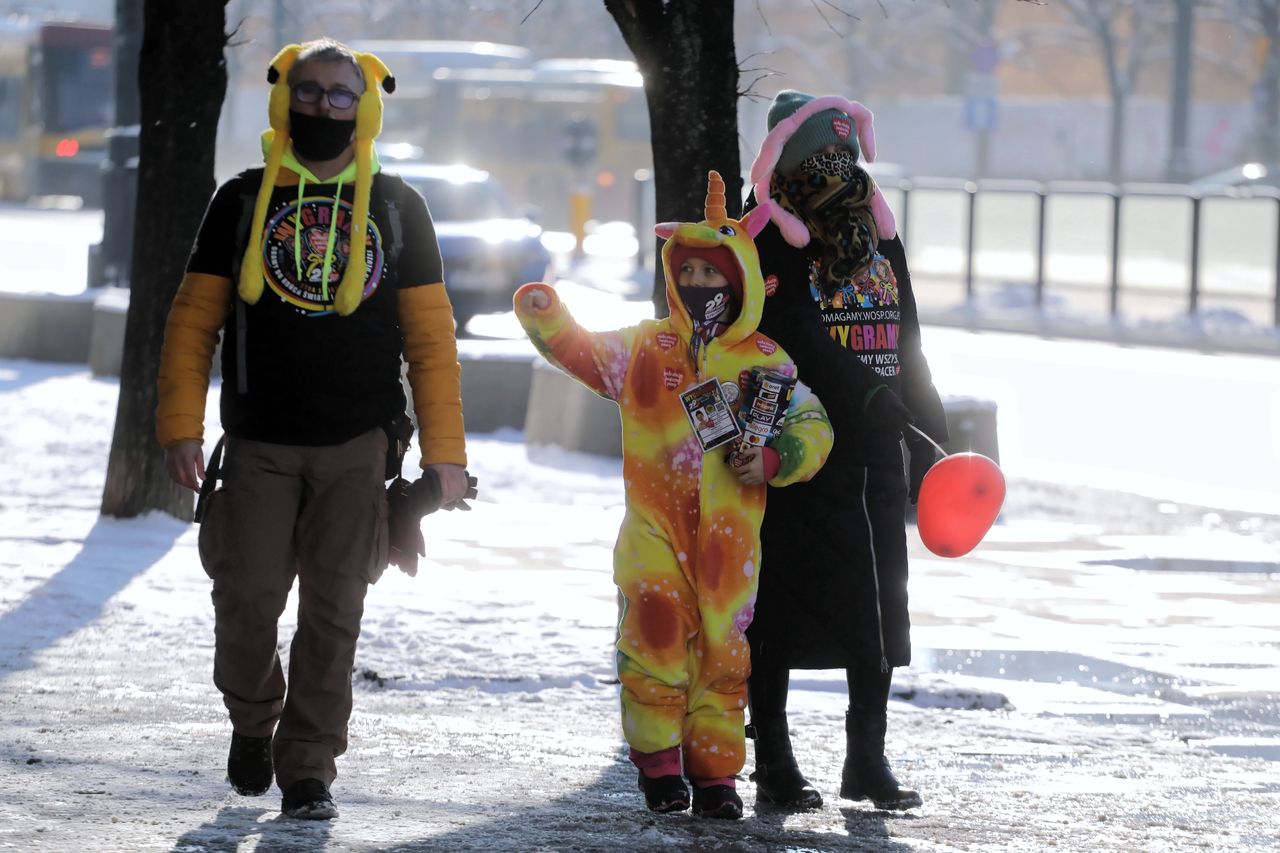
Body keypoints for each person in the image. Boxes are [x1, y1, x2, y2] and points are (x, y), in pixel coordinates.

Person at [156, 38, 469, 821]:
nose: (324, 105)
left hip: (359, 447)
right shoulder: (240, 199)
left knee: (335, 613)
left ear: (364, 107)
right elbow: (194, 323)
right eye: (310, 91)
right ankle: (254, 720)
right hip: (258, 441)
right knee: (246, 601)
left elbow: (432, 344)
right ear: (284, 98)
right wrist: (177, 426)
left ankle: (308, 768)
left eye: (340, 94)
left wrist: (448, 456)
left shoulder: (400, 208)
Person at [514, 171, 833, 820]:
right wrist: (548, 317)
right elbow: (584, 354)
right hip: (653, 539)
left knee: (722, 659)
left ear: (740, 282)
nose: (700, 287)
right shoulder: (644, 347)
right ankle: (658, 766)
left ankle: (716, 777)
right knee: (653, 641)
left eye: (715, 277)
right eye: (688, 273)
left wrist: (773, 457)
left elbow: (814, 427)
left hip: (729, 551)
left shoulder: (768, 362)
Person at [742, 90, 950, 811]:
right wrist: (863, 390)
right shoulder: (768, 235)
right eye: (824, 158)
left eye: (847, 155)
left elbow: (908, 337)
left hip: (879, 451)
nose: (842, 170)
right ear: (795, 163)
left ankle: (867, 758)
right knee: (782, 607)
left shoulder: (879, 234)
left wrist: (934, 435)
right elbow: (791, 325)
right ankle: (772, 758)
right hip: (802, 448)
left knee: (882, 609)